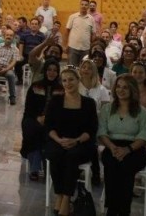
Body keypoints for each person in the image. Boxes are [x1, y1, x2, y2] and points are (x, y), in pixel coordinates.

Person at [44, 68, 98, 216]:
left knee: (72, 155)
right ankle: (60, 195)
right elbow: (48, 125)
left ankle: (66, 198)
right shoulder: (55, 101)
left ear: (78, 80)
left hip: (81, 142)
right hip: (58, 140)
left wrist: (76, 140)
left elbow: (91, 129)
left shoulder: (89, 103)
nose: (68, 83)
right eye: (64, 80)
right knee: (55, 154)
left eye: (71, 79)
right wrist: (58, 140)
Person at [98, 74, 146, 216]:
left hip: (134, 148)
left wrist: (127, 149)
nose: (121, 90)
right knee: (110, 163)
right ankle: (112, 209)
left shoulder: (141, 111)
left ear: (133, 90)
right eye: (118, 86)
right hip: (112, 146)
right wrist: (112, 147)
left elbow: (144, 136)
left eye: (125, 87)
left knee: (126, 166)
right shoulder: (107, 109)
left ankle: (123, 210)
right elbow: (102, 132)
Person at [21, 59, 62, 181]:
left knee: (43, 131)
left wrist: (48, 119)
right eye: (49, 70)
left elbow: (61, 110)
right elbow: (28, 107)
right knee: (33, 129)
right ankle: (36, 167)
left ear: (58, 73)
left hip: (53, 121)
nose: (52, 73)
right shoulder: (35, 86)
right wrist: (37, 117)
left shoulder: (61, 89)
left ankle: (35, 168)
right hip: (33, 117)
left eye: (55, 70)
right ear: (45, 71)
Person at [78, 58, 111, 184]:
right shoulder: (75, 85)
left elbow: (106, 111)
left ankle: (95, 171)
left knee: (91, 138)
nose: (86, 70)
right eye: (84, 67)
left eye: (89, 68)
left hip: (95, 122)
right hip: (77, 122)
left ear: (94, 71)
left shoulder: (101, 89)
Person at [66, 0, 95, 67]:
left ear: (88, 7)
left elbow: (93, 34)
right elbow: (67, 31)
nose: (83, 6)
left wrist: (91, 46)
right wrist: (66, 44)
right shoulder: (72, 17)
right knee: (71, 69)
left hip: (86, 49)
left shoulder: (91, 19)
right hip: (73, 47)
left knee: (84, 69)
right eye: (82, 4)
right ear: (80, 5)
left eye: (86, 5)